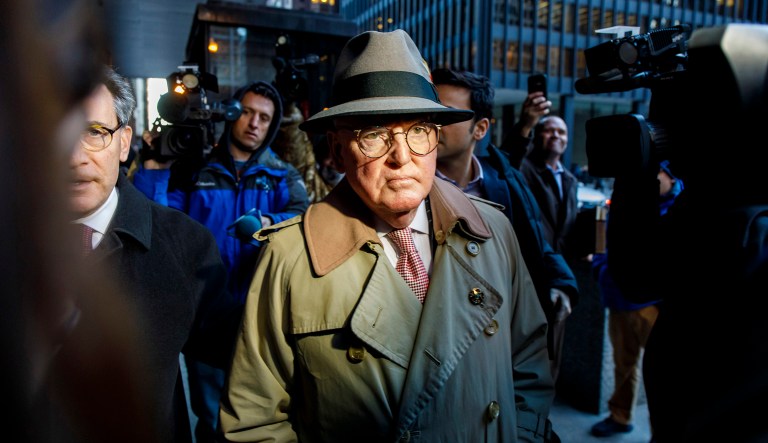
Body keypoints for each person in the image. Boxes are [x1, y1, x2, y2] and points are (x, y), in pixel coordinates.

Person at [219, 29, 555, 442]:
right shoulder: (289, 257)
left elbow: (530, 364)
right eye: (374, 133)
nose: (402, 157)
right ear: (339, 151)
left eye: (418, 130)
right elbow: (255, 421)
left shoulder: (493, 231)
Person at [134, 81, 310, 441]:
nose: (254, 123)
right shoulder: (196, 170)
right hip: (203, 314)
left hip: (260, 315)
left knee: (258, 414)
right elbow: (155, 221)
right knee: (210, 412)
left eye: (264, 117)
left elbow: (304, 220)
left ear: (273, 125)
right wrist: (154, 169)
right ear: (231, 113)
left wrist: (267, 224)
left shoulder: (282, 176)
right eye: (247, 112)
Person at [69, 65, 229, 443]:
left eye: (94, 132)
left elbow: (250, 360)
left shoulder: (186, 244)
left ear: (124, 143)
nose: (74, 156)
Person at [431, 68, 577, 384]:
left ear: (480, 128)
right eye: (429, 111)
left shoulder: (504, 186)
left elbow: (535, 240)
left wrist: (561, 283)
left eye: (447, 114)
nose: (433, 123)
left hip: (502, 344)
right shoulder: (408, 192)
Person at [590, 161, 683, 438]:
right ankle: (620, 416)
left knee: (665, 376)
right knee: (624, 365)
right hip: (618, 298)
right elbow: (604, 235)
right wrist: (601, 267)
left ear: (669, 175)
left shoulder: (681, 208)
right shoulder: (627, 201)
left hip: (653, 306)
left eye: (654, 175)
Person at [516, 116, 579, 257]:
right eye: (549, 131)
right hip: (531, 259)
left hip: (560, 263)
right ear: (536, 136)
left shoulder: (571, 180)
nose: (556, 135)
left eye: (561, 132)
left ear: (567, 141)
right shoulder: (521, 170)